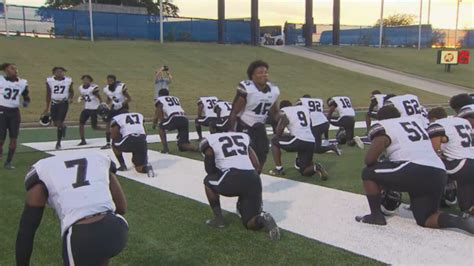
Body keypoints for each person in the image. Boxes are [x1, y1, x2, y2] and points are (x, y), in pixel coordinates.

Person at [356, 105, 474, 234]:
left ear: (380, 118)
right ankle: (460, 222)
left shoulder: (384, 125)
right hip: (439, 171)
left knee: (368, 173)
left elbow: (370, 160)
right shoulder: (415, 121)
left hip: (414, 168)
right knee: (426, 218)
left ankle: (376, 216)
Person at [15, 152, 129, 265]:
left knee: (90, 246)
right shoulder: (99, 158)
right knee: (98, 251)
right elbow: (121, 207)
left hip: (82, 236)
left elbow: (26, 231)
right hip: (117, 228)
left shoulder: (41, 171)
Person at [200, 127, 280, 241]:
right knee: (250, 223)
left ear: (212, 129)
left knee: (208, 181)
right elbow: (256, 164)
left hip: (232, 176)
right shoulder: (242, 136)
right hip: (253, 178)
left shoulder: (210, 139)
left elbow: (209, 154)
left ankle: (219, 220)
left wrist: (213, 171)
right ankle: (263, 219)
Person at [228, 60, 280, 173]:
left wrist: (284, 120)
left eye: (266, 72)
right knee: (247, 156)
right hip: (244, 126)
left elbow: (274, 112)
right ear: (253, 76)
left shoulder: (273, 91)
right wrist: (231, 131)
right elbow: (234, 112)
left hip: (260, 126)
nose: (264, 75)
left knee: (263, 152)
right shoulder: (247, 89)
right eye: (260, 72)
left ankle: (255, 178)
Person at [427, 107, 474, 216]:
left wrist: (440, 153)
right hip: (471, 161)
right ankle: (466, 212)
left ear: (433, 118)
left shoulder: (437, 124)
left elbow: (435, 150)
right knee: (466, 186)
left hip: (459, 164)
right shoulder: (463, 122)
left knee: (429, 165)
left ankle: (447, 192)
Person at [270, 100, 329, 179]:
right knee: (304, 171)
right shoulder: (304, 108)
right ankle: (316, 167)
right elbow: (309, 124)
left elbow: (281, 127)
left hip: (299, 140)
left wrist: (278, 134)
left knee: (274, 141)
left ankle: (279, 169)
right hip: (310, 141)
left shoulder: (285, 111)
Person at [0, 63, 30, 169]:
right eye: (12, 68)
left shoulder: (22, 82)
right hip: (2, 111)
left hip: (14, 113)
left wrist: (26, 102)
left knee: (13, 138)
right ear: (5, 70)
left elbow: (26, 96)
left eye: (15, 68)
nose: (15, 70)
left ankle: (8, 162)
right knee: (1, 139)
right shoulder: (1, 80)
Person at [111, 111, 155, 177]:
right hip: (142, 140)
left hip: (130, 138)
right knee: (139, 168)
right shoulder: (139, 115)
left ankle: (122, 165)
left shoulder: (117, 118)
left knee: (114, 143)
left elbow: (114, 135)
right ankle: (147, 168)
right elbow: (142, 129)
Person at [153, 89, 197, 153]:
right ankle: (199, 148)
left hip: (174, 117)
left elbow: (159, 109)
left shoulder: (160, 99)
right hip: (184, 118)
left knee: (161, 127)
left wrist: (159, 122)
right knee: (183, 145)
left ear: (159, 94)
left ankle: (165, 149)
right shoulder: (175, 98)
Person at [43, 67, 73, 150]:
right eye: (58, 72)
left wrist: (70, 98)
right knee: (55, 123)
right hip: (54, 103)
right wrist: (47, 107)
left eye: (62, 72)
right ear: (54, 73)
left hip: (63, 103)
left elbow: (71, 91)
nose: (60, 73)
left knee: (59, 122)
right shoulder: (50, 81)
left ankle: (58, 142)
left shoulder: (68, 80)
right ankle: (63, 127)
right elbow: (48, 94)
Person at [101, 75, 132, 150]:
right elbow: (109, 98)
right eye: (108, 81)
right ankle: (108, 143)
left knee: (124, 124)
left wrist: (121, 104)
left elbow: (129, 98)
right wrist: (105, 104)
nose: (109, 82)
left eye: (111, 81)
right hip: (114, 107)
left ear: (114, 81)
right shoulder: (107, 89)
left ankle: (127, 140)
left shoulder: (120, 87)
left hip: (123, 107)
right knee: (108, 123)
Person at [77, 75, 104, 146]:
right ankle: (83, 140)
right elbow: (85, 95)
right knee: (81, 123)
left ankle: (109, 130)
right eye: (84, 80)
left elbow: (98, 96)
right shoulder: (81, 87)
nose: (85, 81)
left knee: (94, 127)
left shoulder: (93, 88)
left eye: (87, 80)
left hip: (94, 109)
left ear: (90, 81)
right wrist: (81, 98)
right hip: (86, 108)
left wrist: (101, 103)